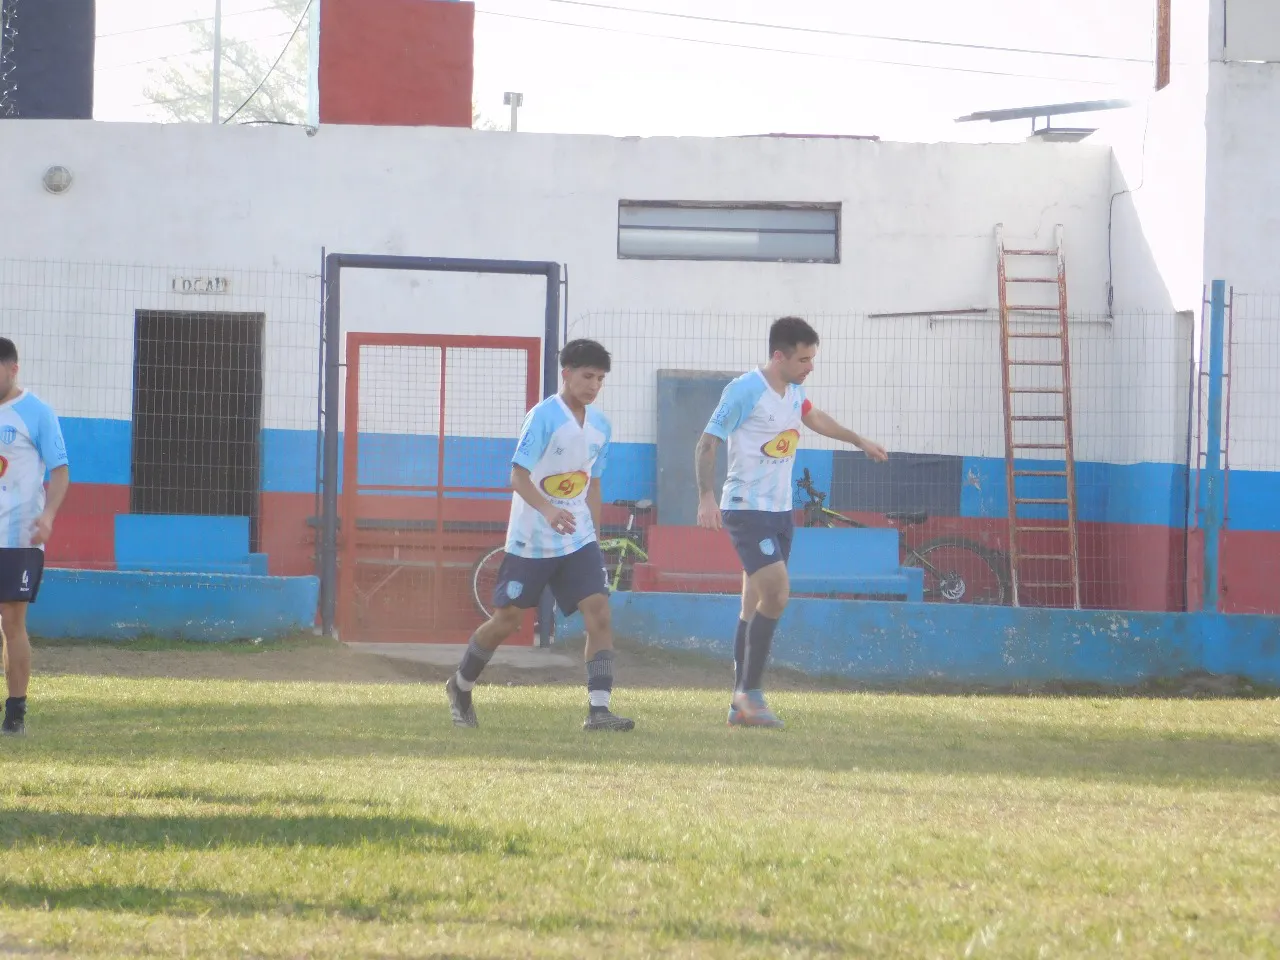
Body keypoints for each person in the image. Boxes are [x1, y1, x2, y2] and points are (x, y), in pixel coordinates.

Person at [695, 317, 887, 728]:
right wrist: (706, 496)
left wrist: (858, 441)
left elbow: (814, 417)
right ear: (778, 355)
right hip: (747, 509)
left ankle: (738, 702)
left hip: (781, 512)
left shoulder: (794, 390)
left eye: (812, 358)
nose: (810, 366)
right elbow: (707, 441)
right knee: (778, 593)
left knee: (752, 602)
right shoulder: (746, 390)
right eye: (804, 358)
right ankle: (751, 694)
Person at [445, 339, 634, 732]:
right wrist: (548, 510)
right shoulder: (543, 416)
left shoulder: (602, 426)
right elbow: (518, 475)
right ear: (566, 373)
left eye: (600, 379)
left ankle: (599, 710)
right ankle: (460, 684)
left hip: (578, 538)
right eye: (587, 376)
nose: (594, 385)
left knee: (598, 611)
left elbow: (592, 486)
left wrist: (593, 539)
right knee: (508, 620)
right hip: (532, 538)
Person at [0, 338, 70, 736]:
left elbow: (60, 470)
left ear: (13, 369)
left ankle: (15, 714)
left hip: (18, 539)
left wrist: (48, 515)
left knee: (12, 620)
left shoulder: (36, 412)